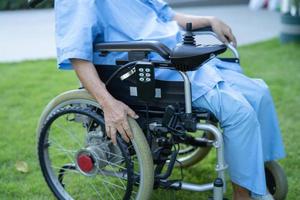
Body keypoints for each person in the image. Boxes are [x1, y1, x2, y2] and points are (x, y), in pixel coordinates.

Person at [54, 0, 285, 199]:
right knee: (238, 112)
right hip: (148, 71)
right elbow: (77, 55)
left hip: (182, 59)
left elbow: (168, 16)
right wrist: (108, 103)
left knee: (259, 92)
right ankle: (242, 195)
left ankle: (255, 171)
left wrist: (209, 19)